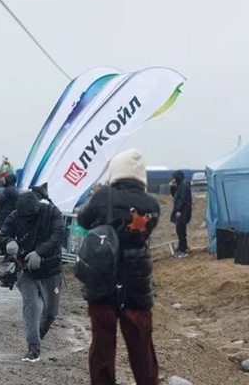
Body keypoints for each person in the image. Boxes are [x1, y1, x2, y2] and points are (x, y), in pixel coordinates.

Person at [77, 148, 161, 385]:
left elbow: (83, 220)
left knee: (103, 345)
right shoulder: (152, 204)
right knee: (142, 347)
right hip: (137, 284)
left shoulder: (104, 196)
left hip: (104, 280)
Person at [1, 190, 64, 362]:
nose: (26, 221)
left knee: (51, 312)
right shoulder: (14, 217)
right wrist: (8, 242)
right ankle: (33, 348)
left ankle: (37, 338)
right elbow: (2, 234)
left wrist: (40, 253)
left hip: (51, 269)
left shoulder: (52, 212)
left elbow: (58, 235)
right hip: (26, 270)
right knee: (32, 307)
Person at [170, 170, 192, 257]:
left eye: (174, 178)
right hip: (181, 211)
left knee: (181, 230)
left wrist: (179, 210)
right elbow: (175, 195)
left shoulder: (184, 185)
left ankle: (183, 250)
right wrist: (172, 186)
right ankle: (182, 246)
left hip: (183, 212)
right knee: (180, 230)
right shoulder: (180, 185)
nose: (173, 179)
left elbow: (183, 199)